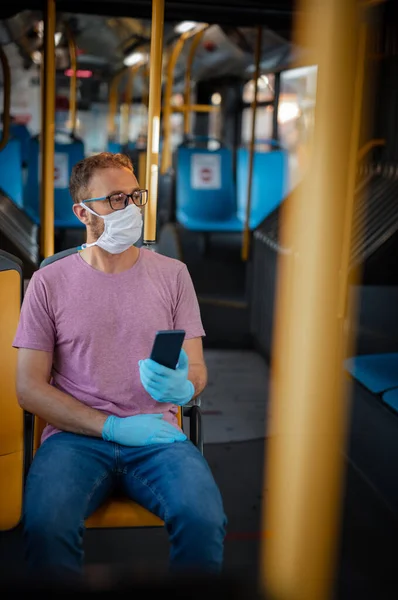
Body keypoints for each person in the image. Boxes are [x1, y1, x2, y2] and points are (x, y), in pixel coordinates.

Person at [13, 152, 226, 577]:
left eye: (135, 197)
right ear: (82, 211)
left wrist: (185, 389)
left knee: (204, 521)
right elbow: (29, 388)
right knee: (46, 527)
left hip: (156, 434)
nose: (130, 209)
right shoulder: (47, 283)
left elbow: (198, 368)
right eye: (115, 199)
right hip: (74, 438)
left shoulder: (173, 275)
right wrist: (107, 426)